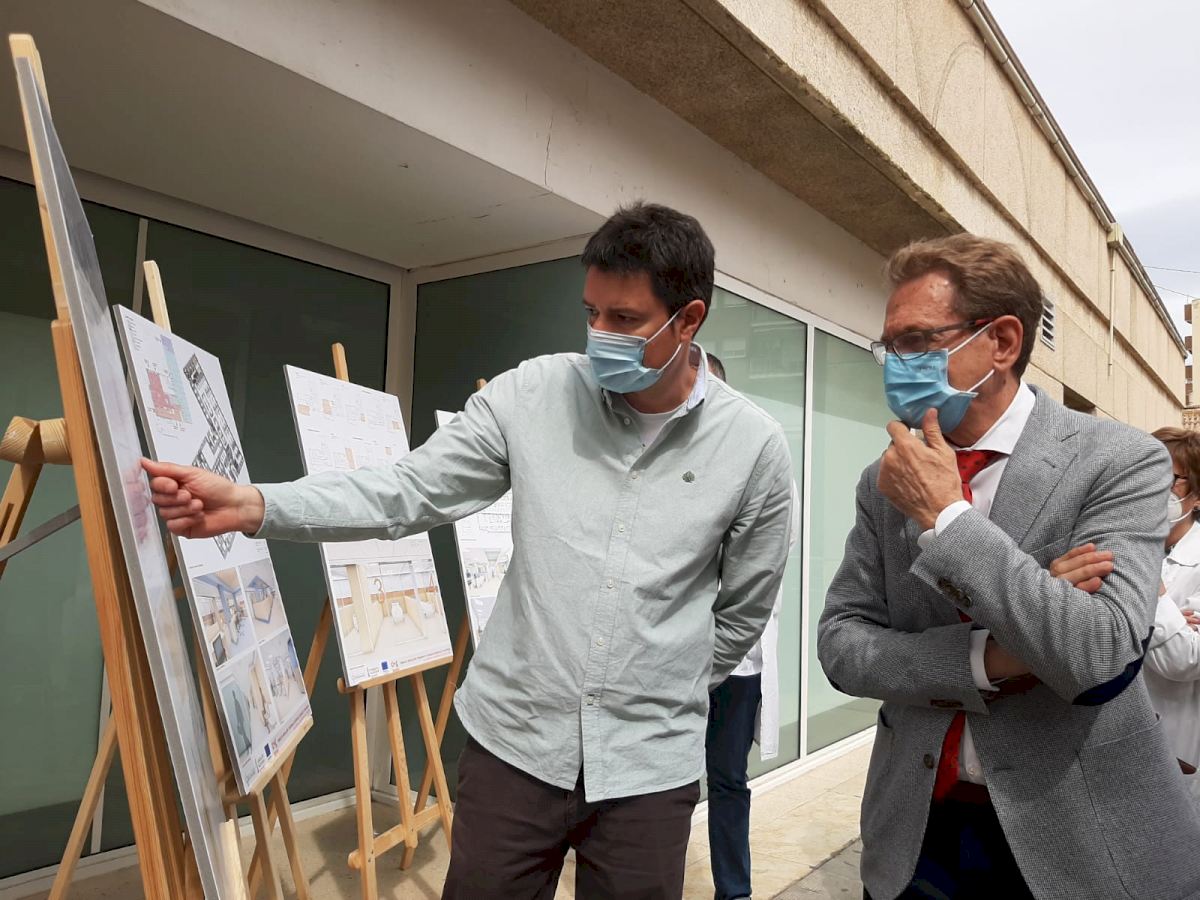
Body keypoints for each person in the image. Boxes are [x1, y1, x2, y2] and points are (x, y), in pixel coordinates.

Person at [143, 202, 794, 899]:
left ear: (688, 320)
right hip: (512, 751)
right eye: (591, 312)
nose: (600, 334)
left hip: (647, 773)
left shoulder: (753, 450)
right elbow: (406, 491)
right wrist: (254, 505)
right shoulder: (534, 395)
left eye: (625, 319)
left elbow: (741, 615)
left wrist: (660, 682)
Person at [817, 233, 1200, 900]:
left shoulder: (1119, 460)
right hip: (917, 831)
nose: (896, 363)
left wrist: (948, 518)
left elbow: (1098, 655)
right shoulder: (884, 480)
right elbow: (843, 646)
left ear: (1000, 341)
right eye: (890, 346)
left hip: (1077, 837)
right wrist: (993, 657)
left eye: (918, 341)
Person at [702, 353, 799, 900]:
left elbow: (766, 560)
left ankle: (733, 892)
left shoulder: (762, 461)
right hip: (671, 658)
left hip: (737, 666)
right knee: (662, 786)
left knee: (727, 781)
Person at [1142, 426, 1200, 804]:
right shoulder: (1112, 541)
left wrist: (1148, 585)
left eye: (1171, 478)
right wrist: (1172, 619)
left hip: (1174, 743)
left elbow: (1185, 658)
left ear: (1197, 495)